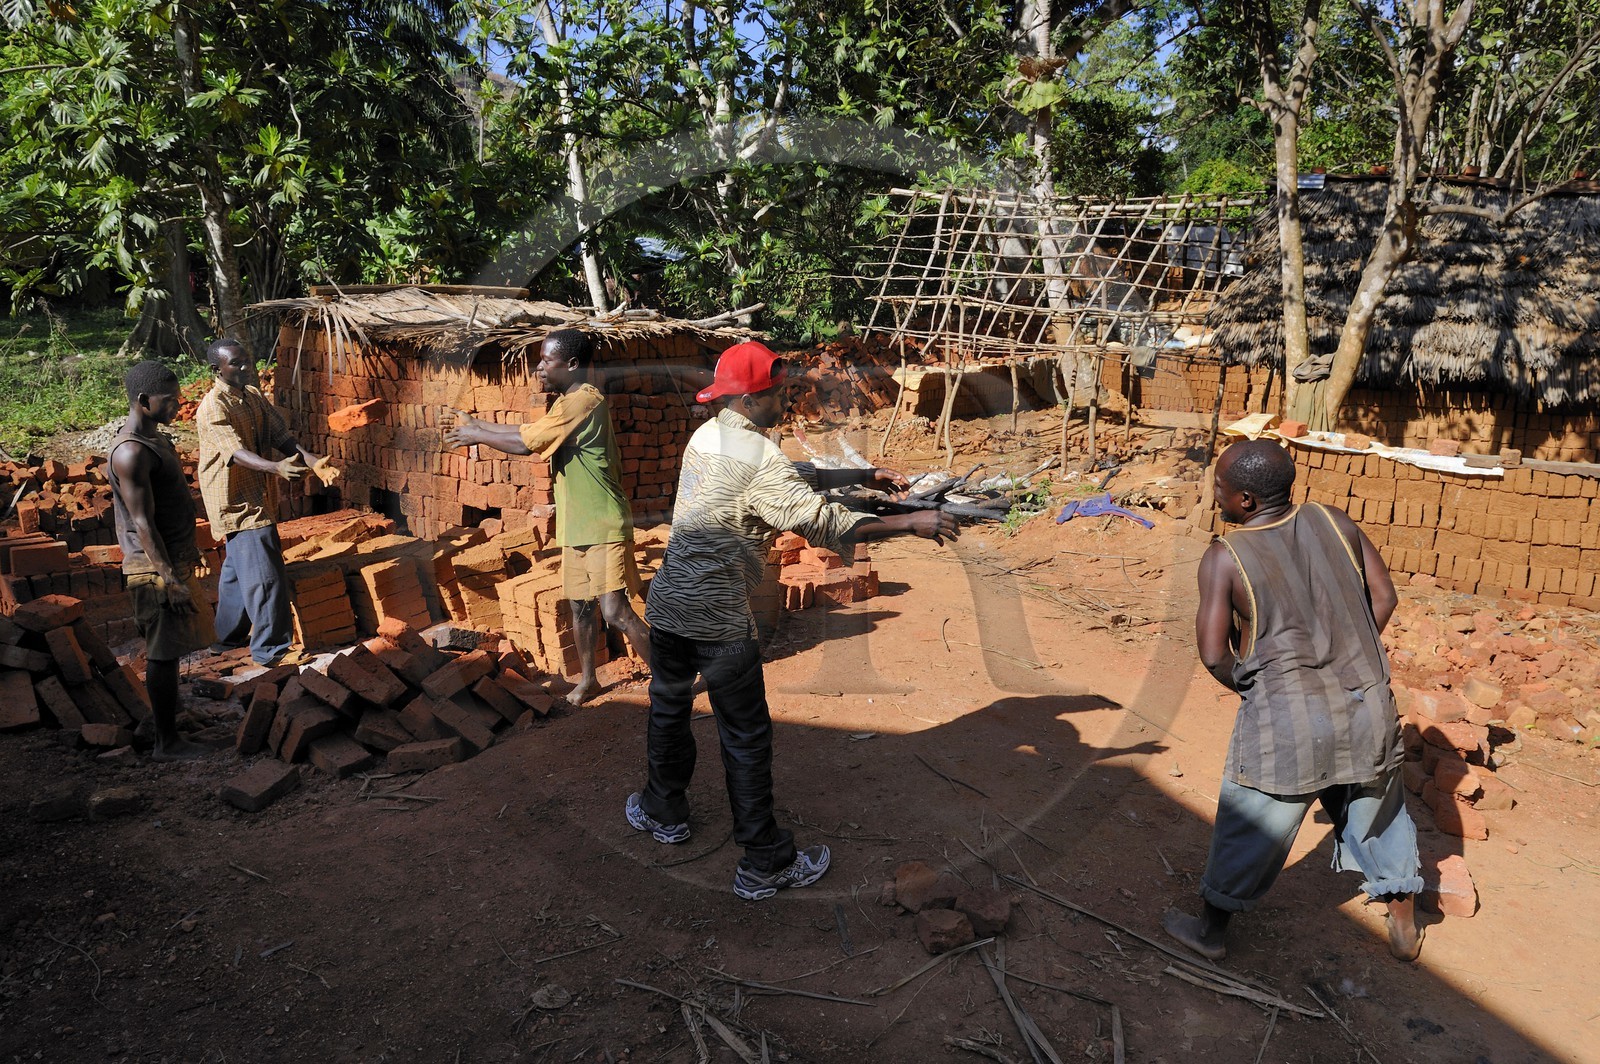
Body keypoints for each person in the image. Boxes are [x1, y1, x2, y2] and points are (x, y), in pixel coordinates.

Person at [626, 340, 960, 900]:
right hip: (718, 618)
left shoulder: (709, 435)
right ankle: (764, 861)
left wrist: (864, 475)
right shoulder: (761, 457)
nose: (787, 400)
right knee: (745, 738)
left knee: (668, 708)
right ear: (753, 397)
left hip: (669, 604)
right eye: (779, 393)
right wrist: (912, 523)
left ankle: (664, 810)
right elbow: (820, 524)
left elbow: (784, 477)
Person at [1163, 439, 1423, 962]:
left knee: (1252, 823)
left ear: (1246, 502)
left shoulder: (1225, 558)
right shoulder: (1336, 522)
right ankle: (1403, 927)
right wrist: (1349, 656)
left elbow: (1215, 654)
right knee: (1379, 813)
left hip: (1288, 723)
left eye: (1220, 487)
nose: (1214, 494)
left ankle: (1211, 932)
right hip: (1366, 706)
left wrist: (1255, 688)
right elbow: (1386, 596)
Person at [443, 328, 649, 705]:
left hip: (603, 523)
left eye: (546, 361)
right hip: (578, 524)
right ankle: (589, 681)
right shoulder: (565, 401)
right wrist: (476, 425)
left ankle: (673, 680)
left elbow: (525, 444)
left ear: (571, 364)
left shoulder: (583, 402)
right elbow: (528, 431)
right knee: (580, 608)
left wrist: (477, 436)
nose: (539, 368)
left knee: (615, 611)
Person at [108, 361, 215, 761]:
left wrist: (187, 550)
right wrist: (168, 577)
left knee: (171, 649)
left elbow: (169, 509)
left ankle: (172, 726)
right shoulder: (131, 452)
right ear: (142, 400)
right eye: (170, 401)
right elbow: (143, 523)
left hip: (169, 560)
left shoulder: (156, 441)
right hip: (151, 569)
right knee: (162, 652)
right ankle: (166, 744)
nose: (178, 406)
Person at [196, 338, 325, 667]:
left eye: (247, 361)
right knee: (266, 575)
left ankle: (226, 639)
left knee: (238, 570)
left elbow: (280, 436)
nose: (245, 368)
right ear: (217, 370)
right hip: (234, 499)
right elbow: (236, 453)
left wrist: (313, 461)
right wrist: (277, 468)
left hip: (255, 490)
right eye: (236, 364)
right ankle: (272, 652)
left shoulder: (251, 395)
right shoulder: (213, 407)